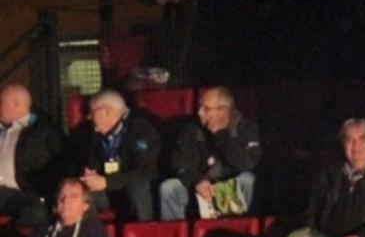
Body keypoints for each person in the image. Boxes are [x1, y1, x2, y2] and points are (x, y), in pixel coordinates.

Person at [159, 87, 262, 220]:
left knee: (248, 179)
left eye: (206, 108)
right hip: (200, 186)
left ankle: (243, 227)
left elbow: (247, 164)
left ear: (223, 111)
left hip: (231, 185)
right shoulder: (192, 129)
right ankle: (175, 230)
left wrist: (221, 136)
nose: (200, 112)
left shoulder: (246, 128)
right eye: (200, 107)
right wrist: (197, 180)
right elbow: (181, 164)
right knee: (169, 188)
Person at [69, 90, 160, 223]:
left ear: (107, 112)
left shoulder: (141, 130)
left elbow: (144, 171)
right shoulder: (91, 133)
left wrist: (107, 182)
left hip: (133, 188)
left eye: (92, 112)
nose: (88, 117)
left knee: (138, 187)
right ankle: (90, 233)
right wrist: (90, 175)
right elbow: (88, 162)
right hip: (109, 191)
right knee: (83, 192)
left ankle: (144, 230)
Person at [0, 85, 61, 228]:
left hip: (23, 192)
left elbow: (60, 162)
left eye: (1, 103)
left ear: (16, 105)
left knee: (36, 211)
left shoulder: (43, 130)